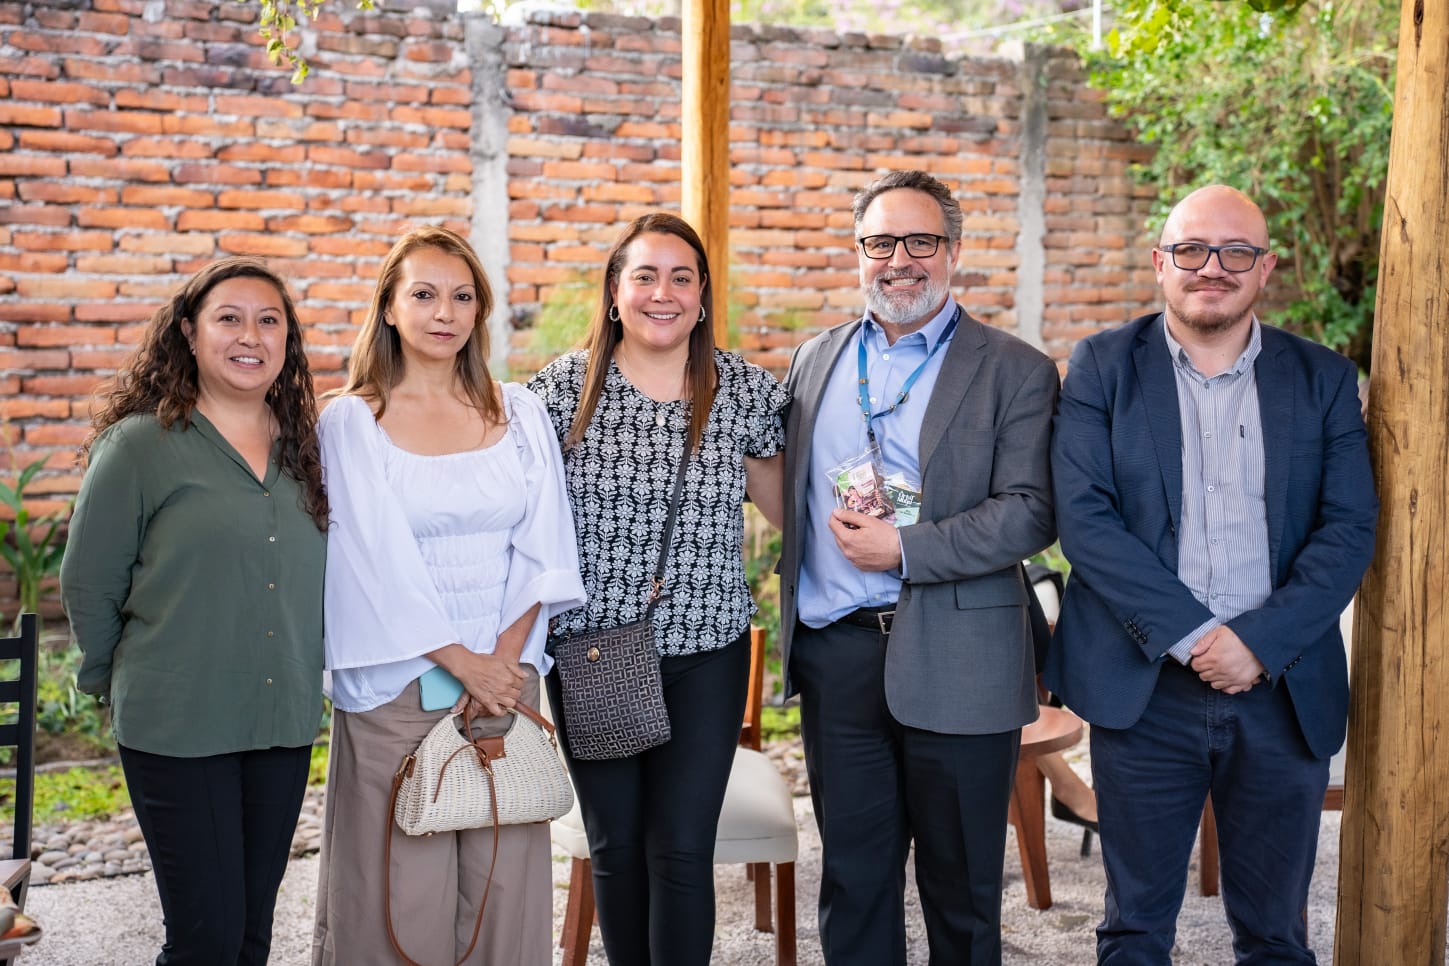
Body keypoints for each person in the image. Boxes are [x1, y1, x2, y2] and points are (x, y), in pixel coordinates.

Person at [1043, 184, 1379, 963]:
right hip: (1145, 685)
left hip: (1280, 687)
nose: (1211, 268)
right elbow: (1085, 523)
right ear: (1160, 263)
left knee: (1274, 934)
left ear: (1264, 269)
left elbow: (1347, 528)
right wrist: (1196, 637)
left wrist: (1256, 643)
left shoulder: (1323, 379)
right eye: (1191, 250)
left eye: (1235, 253)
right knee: (1133, 929)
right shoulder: (1101, 366)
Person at [778, 169, 1059, 966]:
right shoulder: (814, 360)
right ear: (856, 253)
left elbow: (1031, 510)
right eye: (879, 242)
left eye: (920, 240)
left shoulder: (1016, 369)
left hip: (962, 653)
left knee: (962, 890)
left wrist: (905, 548)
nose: (898, 259)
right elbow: (787, 487)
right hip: (839, 655)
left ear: (953, 250)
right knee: (854, 884)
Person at [310, 226, 585, 965]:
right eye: (424, 294)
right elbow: (369, 561)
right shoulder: (350, 421)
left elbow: (545, 544)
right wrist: (461, 660)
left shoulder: (519, 410)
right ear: (390, 308)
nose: (445, 312)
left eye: (463, 296)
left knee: (503, 880)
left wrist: (499, 664)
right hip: (399, 675)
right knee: (397, 887)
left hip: (505, 676)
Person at [527, 212, 785, 965]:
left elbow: (789, 508)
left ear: (702, 297)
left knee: (680, 852)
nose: (661, 293)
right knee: (615, 848)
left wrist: (899, 524)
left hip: (708, 654)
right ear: (614, 294)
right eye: (643, 276)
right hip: (593, 655)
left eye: (681, 277)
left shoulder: (739, 390)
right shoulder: (559, 392)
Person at [61, 256, 328, 965]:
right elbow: (90, 583)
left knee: (249, 936)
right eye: (229, 318)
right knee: (205, 939)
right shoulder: (140, 446)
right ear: (189, 332)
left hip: (281, 721)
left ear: (287, 340)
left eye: (269, 320)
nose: (251, 336)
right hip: (178, 723)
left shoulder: (309, 449)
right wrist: (114, 680)